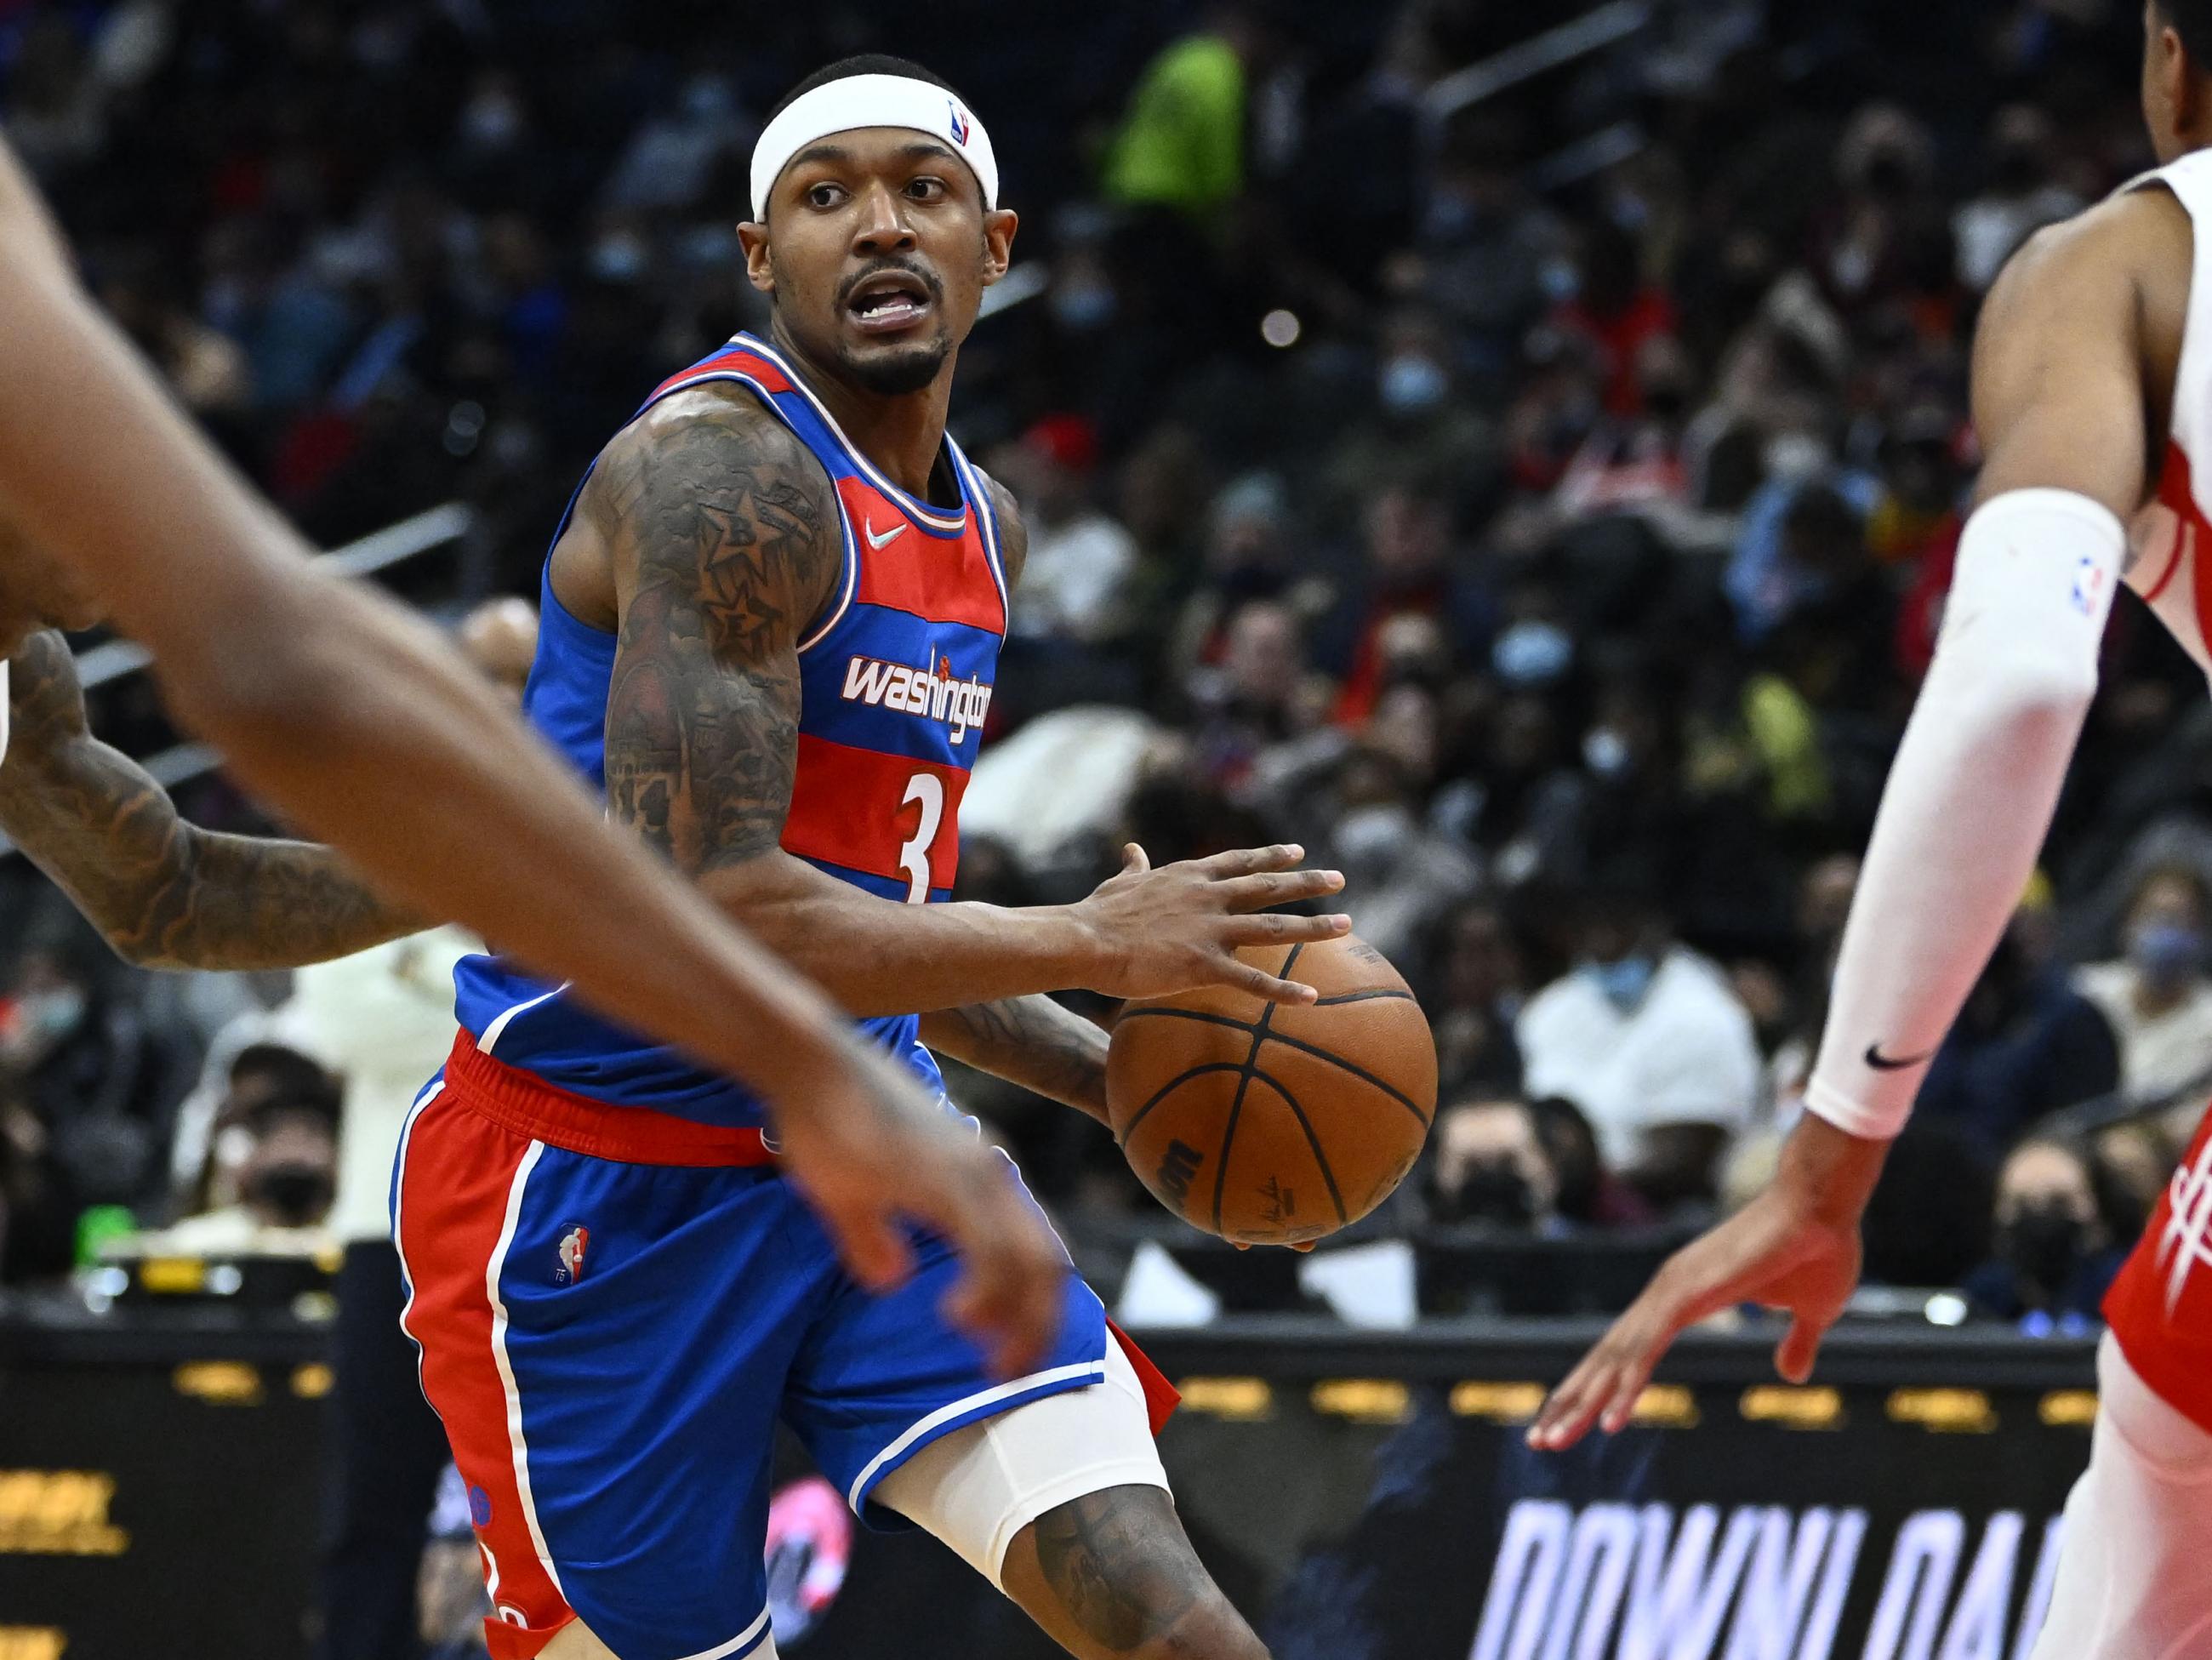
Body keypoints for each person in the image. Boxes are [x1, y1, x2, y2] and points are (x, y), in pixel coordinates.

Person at [396, 57, 1349, 1660]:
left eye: (925, 188)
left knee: (1168, 1617)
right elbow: (722, 910)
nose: (880, 223)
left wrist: (1123, 1082)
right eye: (825, 197)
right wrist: (1096, 945)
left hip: (873, 1142)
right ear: (763, 261)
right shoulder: (723, 474)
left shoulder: (988, 526)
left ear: (999, 244)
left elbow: (884, 925)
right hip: (597, 1182)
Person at [0, 129, 1068, 1367]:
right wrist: (809, 1059)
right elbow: (279, 666)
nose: (113, 458)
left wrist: (531, 864)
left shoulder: (27, 675)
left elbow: (167, 896)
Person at [1531, 9, 2212, 1651]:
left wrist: (1831, 1157)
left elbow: (2017, 683)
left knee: (2155, 1491)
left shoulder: (2121, 268)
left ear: (2170, 62)